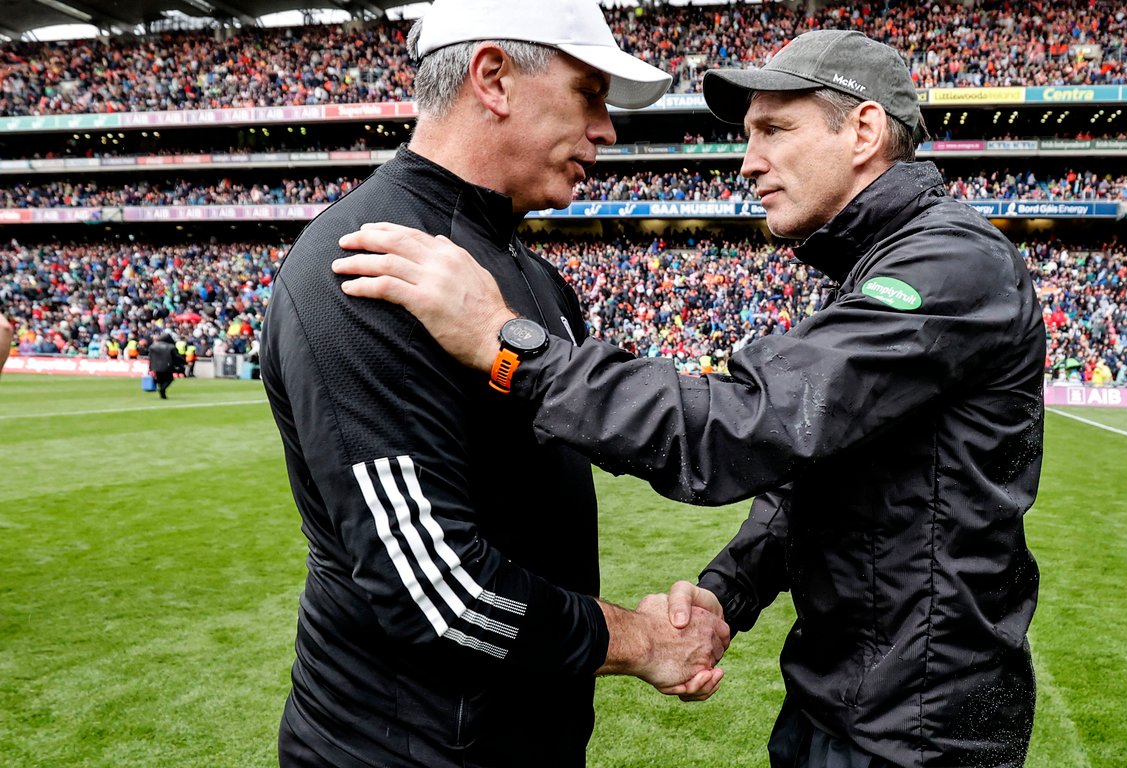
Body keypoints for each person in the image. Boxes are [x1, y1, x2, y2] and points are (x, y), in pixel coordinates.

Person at [334, 29, 1046, 768]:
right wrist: (726, 595)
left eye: (774, 129)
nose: (749, 162)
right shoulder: (881, 266)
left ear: (863, 129)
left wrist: (508, 346)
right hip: (852, 705)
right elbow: (819, 474)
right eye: (747, 136)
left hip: (919, 731)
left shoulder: (950, 265)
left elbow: (743, 427)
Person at [258, 1, 726, 767]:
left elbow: (616, 425)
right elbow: (436, 595)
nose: (607, 130)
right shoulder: (365, 269)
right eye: (589, 94)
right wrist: (642, 642)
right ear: (494, 79)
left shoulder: (531, 276)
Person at [147, 333, 185, 400]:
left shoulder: (153, 346)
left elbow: (150, 357)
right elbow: (176, 357)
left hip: (155, 366)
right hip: (167, 366)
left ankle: (162, 393)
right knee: (169, 379)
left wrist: (150, 368)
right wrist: (183, 362)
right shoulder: (171, 347)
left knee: (160, 379)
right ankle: (162, 390)